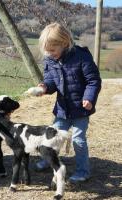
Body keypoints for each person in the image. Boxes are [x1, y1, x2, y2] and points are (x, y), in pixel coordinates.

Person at [34, 22, 101, 184]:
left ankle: (83, 171)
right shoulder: (50, 60)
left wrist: (89, 98)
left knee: (78, 139)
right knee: (52, 137)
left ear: (64, 43)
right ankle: (49, 160)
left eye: (52, 50)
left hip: (81, 109)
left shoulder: (81, 56)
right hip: (62, 109)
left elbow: (93, 81)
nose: (49, 54)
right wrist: (44, 87)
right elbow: (50, 80)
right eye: (46, 51)